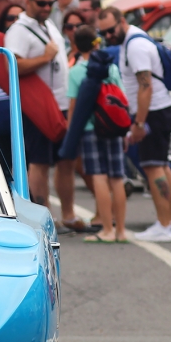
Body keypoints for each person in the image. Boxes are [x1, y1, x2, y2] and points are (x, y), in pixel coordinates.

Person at [97, 6, 171, 242]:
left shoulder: (135, 47)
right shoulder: (136, 39)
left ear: (122, 21)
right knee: (162, 167)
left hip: (152, 112)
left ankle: (165, 225)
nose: (109, 36)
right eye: (104, 33)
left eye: (111, 30)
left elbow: (146, 86)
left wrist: (139, 123)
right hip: (159, 109)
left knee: (154, 168)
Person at [5, 0, 81, 231]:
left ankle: (68, 214)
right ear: (27, 2)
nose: (47, 6)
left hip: (61, 103)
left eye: (50, 2)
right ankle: (42, 219)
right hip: (39, 107)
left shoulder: (48, 24)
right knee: (40, 162)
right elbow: (13, 65)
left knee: (66, 160)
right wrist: (44, 58)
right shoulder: (19, 30)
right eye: (41, 3)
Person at [67, 25, 127, 243]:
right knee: (117, 178)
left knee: (99, 177)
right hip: (113, 126)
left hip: (90, 129)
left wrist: (70, 132)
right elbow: (121, 97)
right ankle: (121, 231)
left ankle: (107, 229)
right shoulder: (109, 67)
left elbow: (74, 106)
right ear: (97, 43)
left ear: (76, 45)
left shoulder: (75, 71)